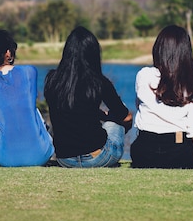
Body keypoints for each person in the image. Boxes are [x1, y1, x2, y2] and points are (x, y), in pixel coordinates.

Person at [130, 25, 193, 170]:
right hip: (178, 151)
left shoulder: (144, 75)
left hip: (144, 151)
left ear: (158, 49)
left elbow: (139, 105)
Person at [44, 26, 132, 168]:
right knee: (117, 123)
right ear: (93, 53)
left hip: (64, 159)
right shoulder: (98, 81)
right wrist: (109, 117)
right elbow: (124, 115)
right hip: (97, 158)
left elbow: (71, 109)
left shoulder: (52, 80)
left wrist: (100, 114)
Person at [0, 29, 54, 167]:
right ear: (8, 53)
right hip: (39, 155)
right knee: (34, 110)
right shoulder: (30, 72)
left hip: (3, 158)